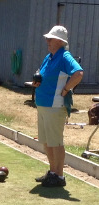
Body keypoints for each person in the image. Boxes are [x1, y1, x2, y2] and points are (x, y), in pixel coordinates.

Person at [32, 25, 83, 187]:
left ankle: (59, 176)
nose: (47, 40)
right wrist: (38, 80)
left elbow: (78, 73)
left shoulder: (65, 56)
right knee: (47, 141)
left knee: (55, 141)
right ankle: (52, 172)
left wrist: (66, 89)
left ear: (60, 41)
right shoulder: (50, 56)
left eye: (51, 38)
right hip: (43, 104)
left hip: (55, 106)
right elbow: (41, 72)